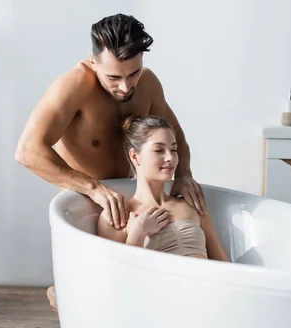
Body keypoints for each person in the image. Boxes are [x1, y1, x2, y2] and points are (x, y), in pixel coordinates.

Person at [15, 14, 206, 312]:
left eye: (133, 74)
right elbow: (27, 151)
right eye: (114, 78)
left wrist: (185, 173)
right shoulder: (74, 86)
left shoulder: (149, 84)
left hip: (132, 202)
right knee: (89, 298)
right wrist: (93, 188)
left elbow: (174, 132)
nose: (126, 87)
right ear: (94, 62)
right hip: (87, 201)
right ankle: (61, 294)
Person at [98, 115, 230, 263]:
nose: (170, 158)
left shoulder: (191, 204)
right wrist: (138, 234)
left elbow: (226, 265)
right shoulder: (118, 216)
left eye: (173, 150)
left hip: (208, 284)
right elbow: (117, 278)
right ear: (135, 157)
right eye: (159, 150)